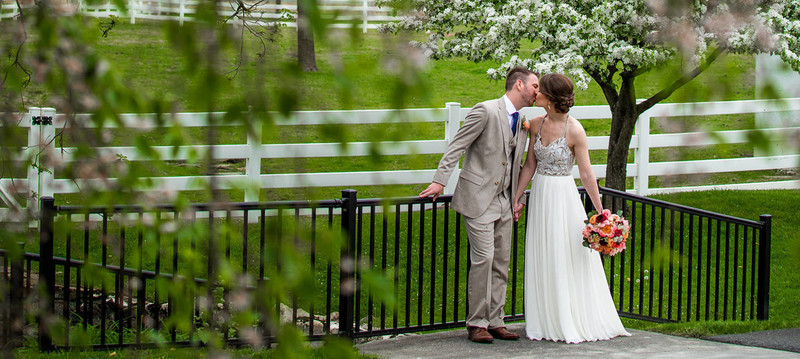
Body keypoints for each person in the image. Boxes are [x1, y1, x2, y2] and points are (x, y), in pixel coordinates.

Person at [419, 67, 538, 343]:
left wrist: (516, 198)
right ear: (519, 84)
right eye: (534, 85)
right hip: (478, 198)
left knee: (502, 262)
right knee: (483, 258)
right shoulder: (485, 111)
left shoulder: (522, 120)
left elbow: (516, 162)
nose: (537, 91)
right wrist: (440, 181)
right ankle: (476, 323)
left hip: (505, 201)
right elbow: (457, 146)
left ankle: (496, 320)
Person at [512, 73, 631, 343]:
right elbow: (530, 165)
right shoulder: (537, 124)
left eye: (539, 90)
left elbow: (587, 175)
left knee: (564, 256)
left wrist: (601, 213)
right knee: (543, 253)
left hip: (563, 198)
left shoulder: (575, 130)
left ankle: (569, 318)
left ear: (551, 99)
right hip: (541, 195)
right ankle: (545, 320)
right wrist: (516, 199)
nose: (535, 93)